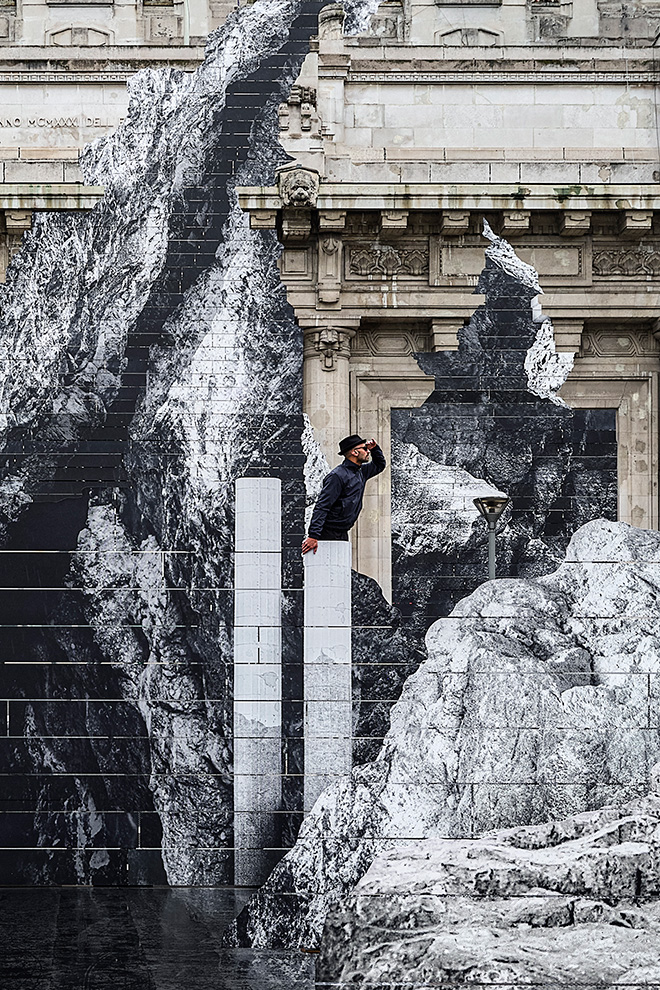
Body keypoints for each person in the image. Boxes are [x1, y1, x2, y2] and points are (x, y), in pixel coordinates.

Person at [302, 435, 386, 555]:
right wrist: (313, 536)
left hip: (342, 532)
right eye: (364, 448)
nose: (368, 451)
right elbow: (322, 505)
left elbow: (379, 465)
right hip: (326, 534)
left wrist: (375, 449)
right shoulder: (337, 476)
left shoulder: (361, 472)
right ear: (355, 452)